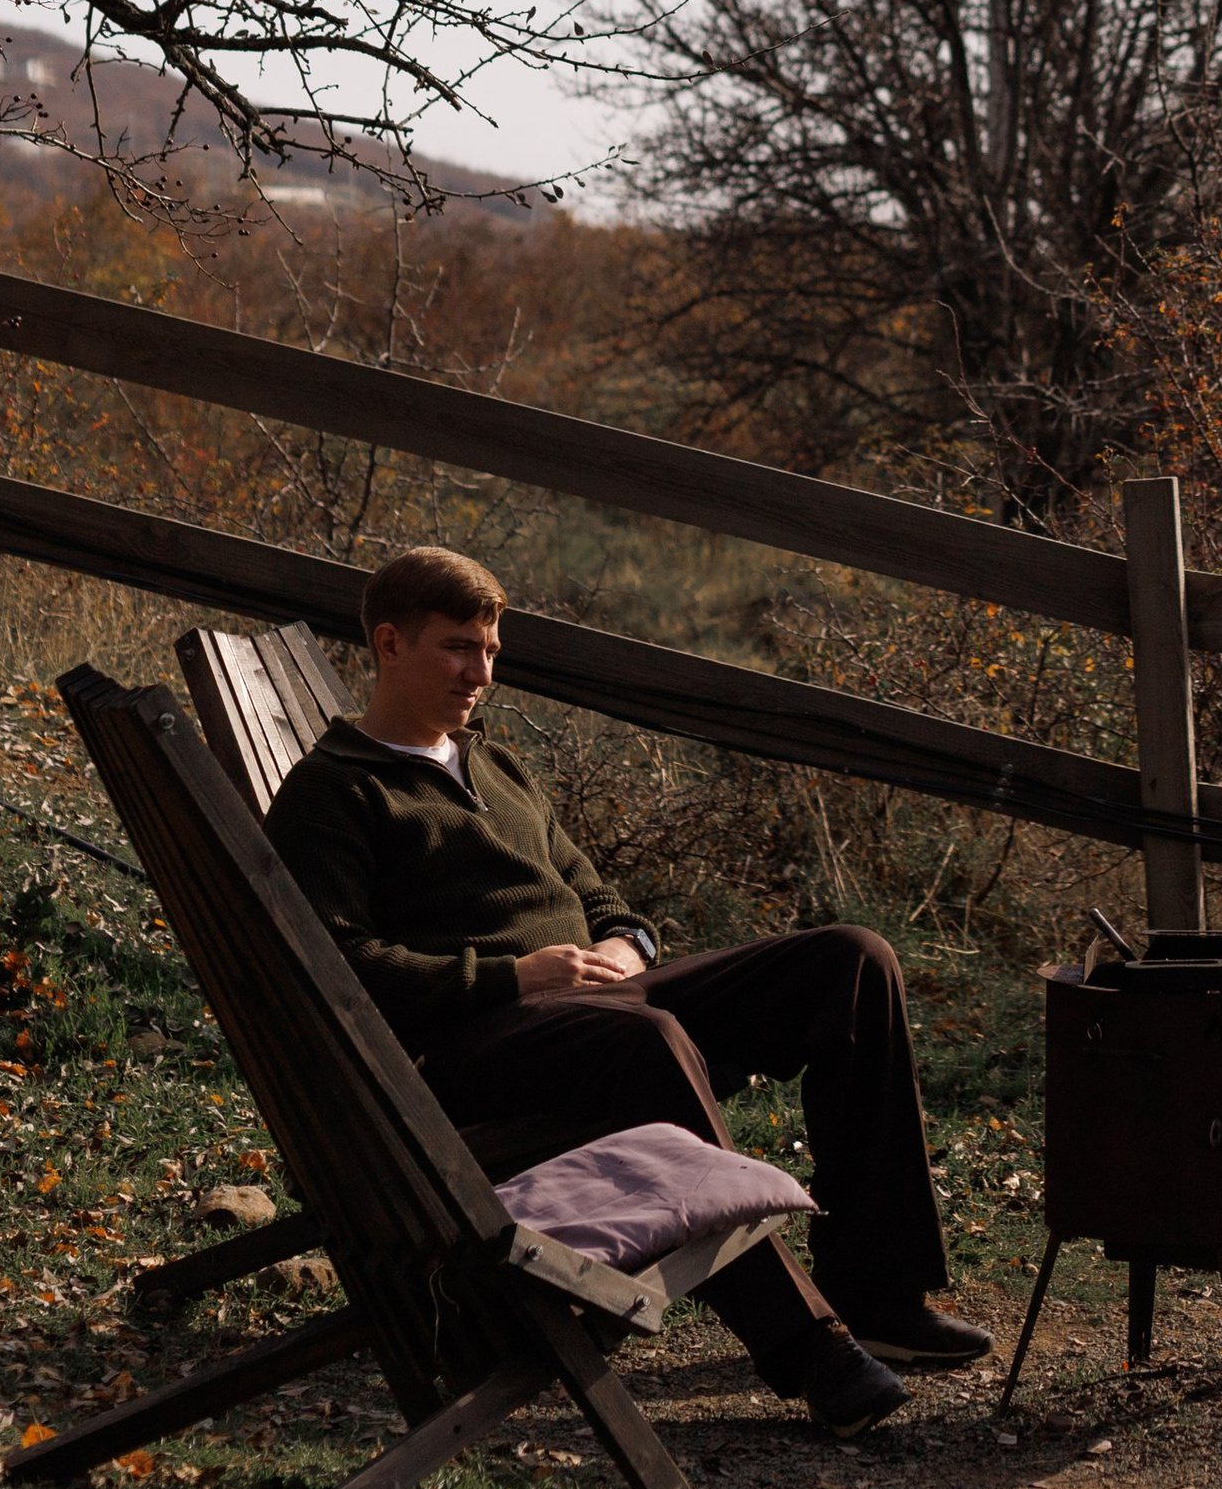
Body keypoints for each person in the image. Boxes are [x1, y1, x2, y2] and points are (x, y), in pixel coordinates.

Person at [265, 542, 990, 1440]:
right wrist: (515, 974)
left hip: (600, 999)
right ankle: (805, 1345)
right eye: (457, 648)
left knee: (850, 959)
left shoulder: (494, 766)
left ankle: (879, 1291)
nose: (479, 672)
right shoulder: (334, 793)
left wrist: (627, 943)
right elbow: (334, 967)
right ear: (387, 645)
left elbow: (599, 896)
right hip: (477, 1042)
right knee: (647, 1046)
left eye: (490, 651)